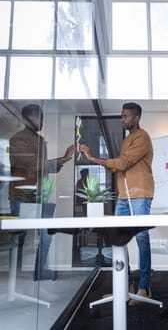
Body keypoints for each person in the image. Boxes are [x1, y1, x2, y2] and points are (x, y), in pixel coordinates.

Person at [78, 102, 154, 305]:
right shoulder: (126, 140)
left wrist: (94, 158)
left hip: (140, 193)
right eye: (121, 116)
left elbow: (124, 163)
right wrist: (113, 167)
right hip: (124, 195)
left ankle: (144, 287)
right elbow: (122, 166)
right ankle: (125, 284)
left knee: (142, 238)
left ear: (136, 118)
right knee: (119, 238)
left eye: (125, 116)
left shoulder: (142, 137)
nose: (122, 120)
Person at [9, 104, 74, 280]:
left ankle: (40, 272)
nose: (42, 121)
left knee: (46, 236)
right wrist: (63, 158)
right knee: (19, 237)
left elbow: (46, 169)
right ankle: (13, 276)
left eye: (42, 117)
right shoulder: (17, 139)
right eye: (38, 117)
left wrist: (62, 161)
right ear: (25, 119)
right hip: (22, 196)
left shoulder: (40, 141)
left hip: (41, 196)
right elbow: (33, 164)